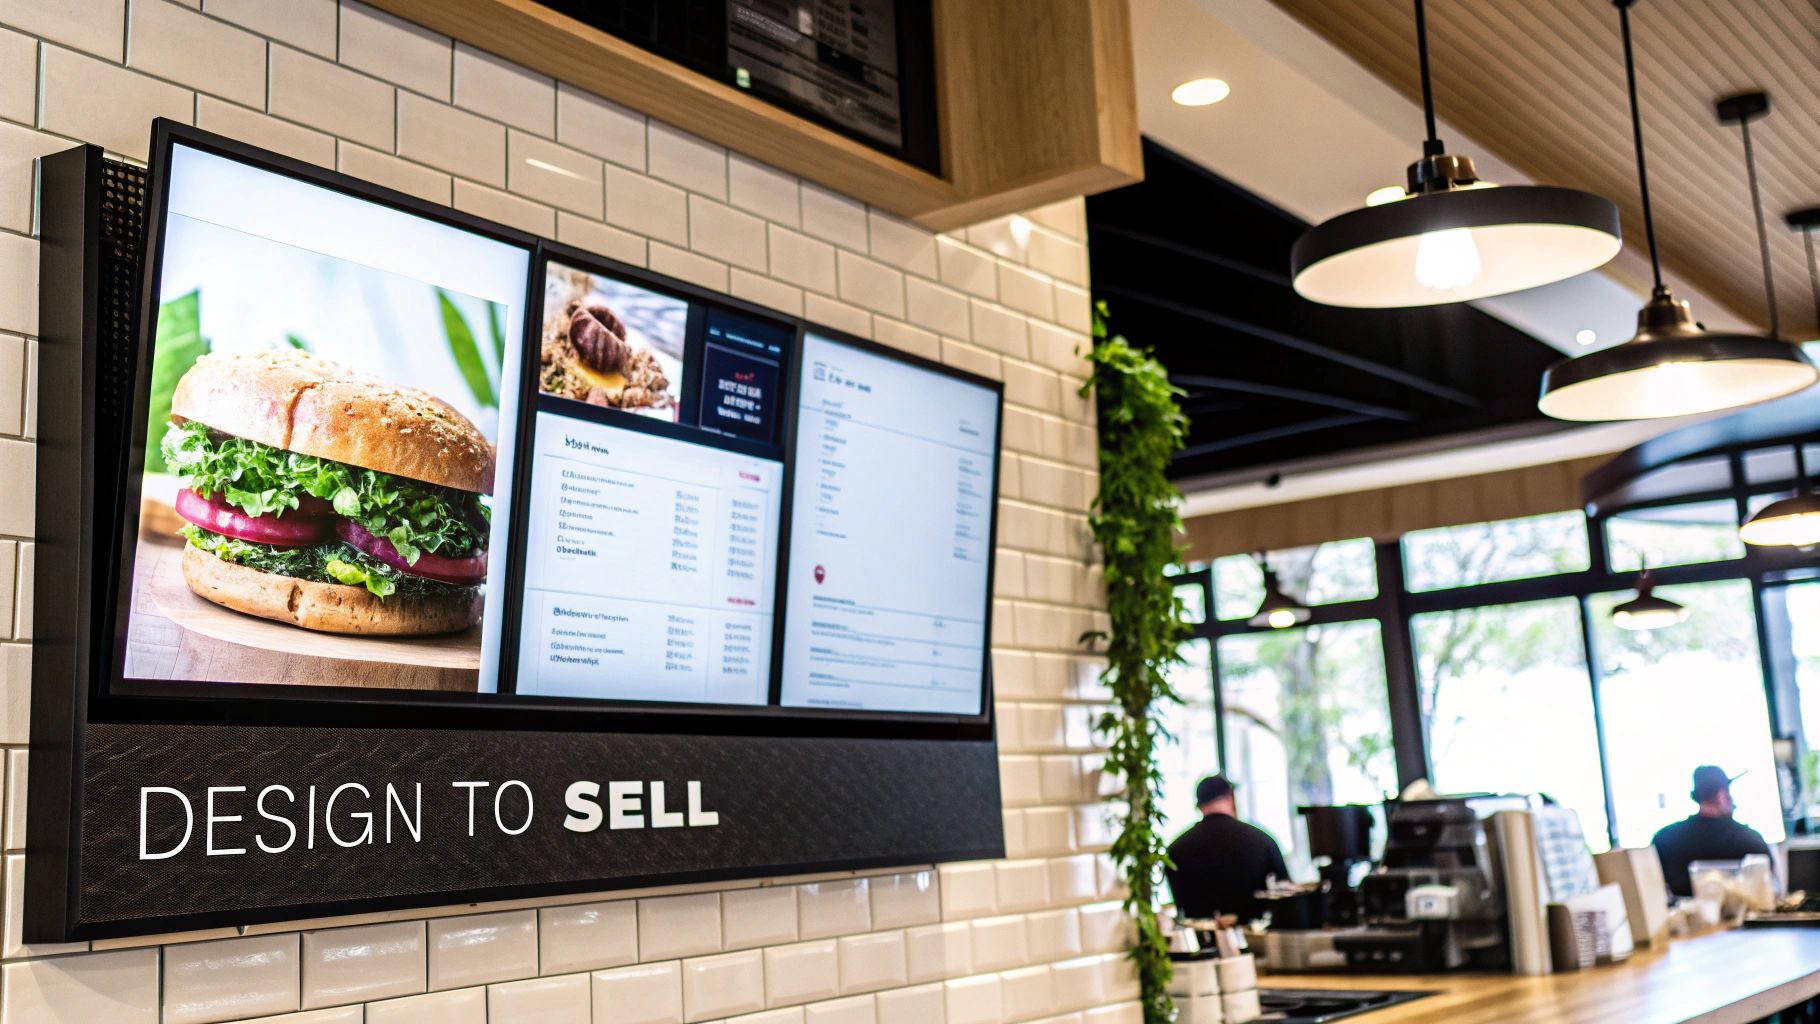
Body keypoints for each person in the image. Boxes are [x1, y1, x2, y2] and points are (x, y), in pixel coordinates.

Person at [1164, 774, 1290, 923]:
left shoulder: (1176, 850)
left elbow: (1180, 904)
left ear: (1200, 805)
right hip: (1255, 938)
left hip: (1199, 939)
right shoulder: (1262, 841)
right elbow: (1286, 894)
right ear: (1230, 797)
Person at [1650, 765, 1772, 898]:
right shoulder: (1749, 840)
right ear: (1721, 795)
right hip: (1742, 916)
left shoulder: (1665, 839)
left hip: (1684, 916)